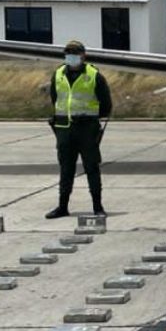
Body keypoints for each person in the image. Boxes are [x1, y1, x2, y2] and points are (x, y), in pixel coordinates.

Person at [46, 40, 113, 219]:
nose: (72, 56)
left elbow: (106, 104)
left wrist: (89, 118)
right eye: (68, 53)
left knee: (92, 167)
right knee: (65, 169)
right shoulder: (58, 73)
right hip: (64, 128)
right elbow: (55, 98)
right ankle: (62, 207)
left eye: (75, 52)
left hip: (86, 129)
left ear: (84, 55)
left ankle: (98, 207)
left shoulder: (94, 75)